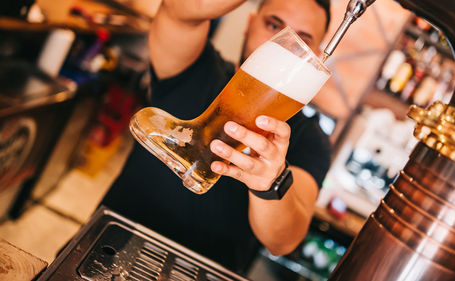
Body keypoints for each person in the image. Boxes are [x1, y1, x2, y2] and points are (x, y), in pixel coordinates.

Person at [100, 0, 332, 274]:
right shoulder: (197, 67)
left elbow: (284, 241)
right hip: (106, 251)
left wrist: (271, 182)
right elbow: (177, 11)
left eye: (302, 42)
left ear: (316, 55)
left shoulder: (311, 139)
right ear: (249, 23)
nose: (285, 48)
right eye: (273, 25)